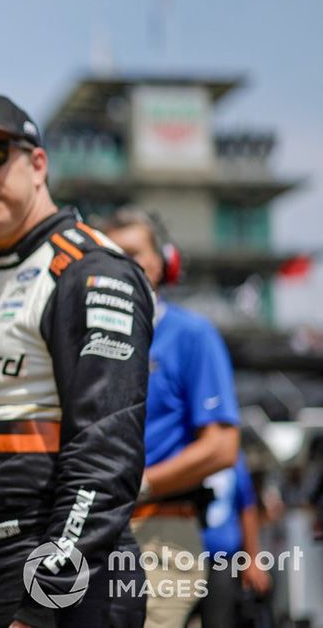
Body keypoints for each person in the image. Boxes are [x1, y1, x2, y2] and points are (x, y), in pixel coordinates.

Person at [0, 93, 153, 627]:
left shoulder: (91, 270)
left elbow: (105, 452)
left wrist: (45, 602)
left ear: (38, 164)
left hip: (57, 577)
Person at [100, 207, 240, 628]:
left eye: (133, 253)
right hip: (98, 532)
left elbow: (221, 448)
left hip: (162, 530)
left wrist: (141, 485)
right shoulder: (88, 337)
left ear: (164, 262)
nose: (122, 266)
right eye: (110, 255)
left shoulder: (192, 335)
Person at [197, 452, 272, 627]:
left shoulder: (233, 457)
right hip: (180, 555)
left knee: (220, 621)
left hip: (222, 560)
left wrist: (252, 558)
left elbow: (247, 506)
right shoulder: (180, 446)